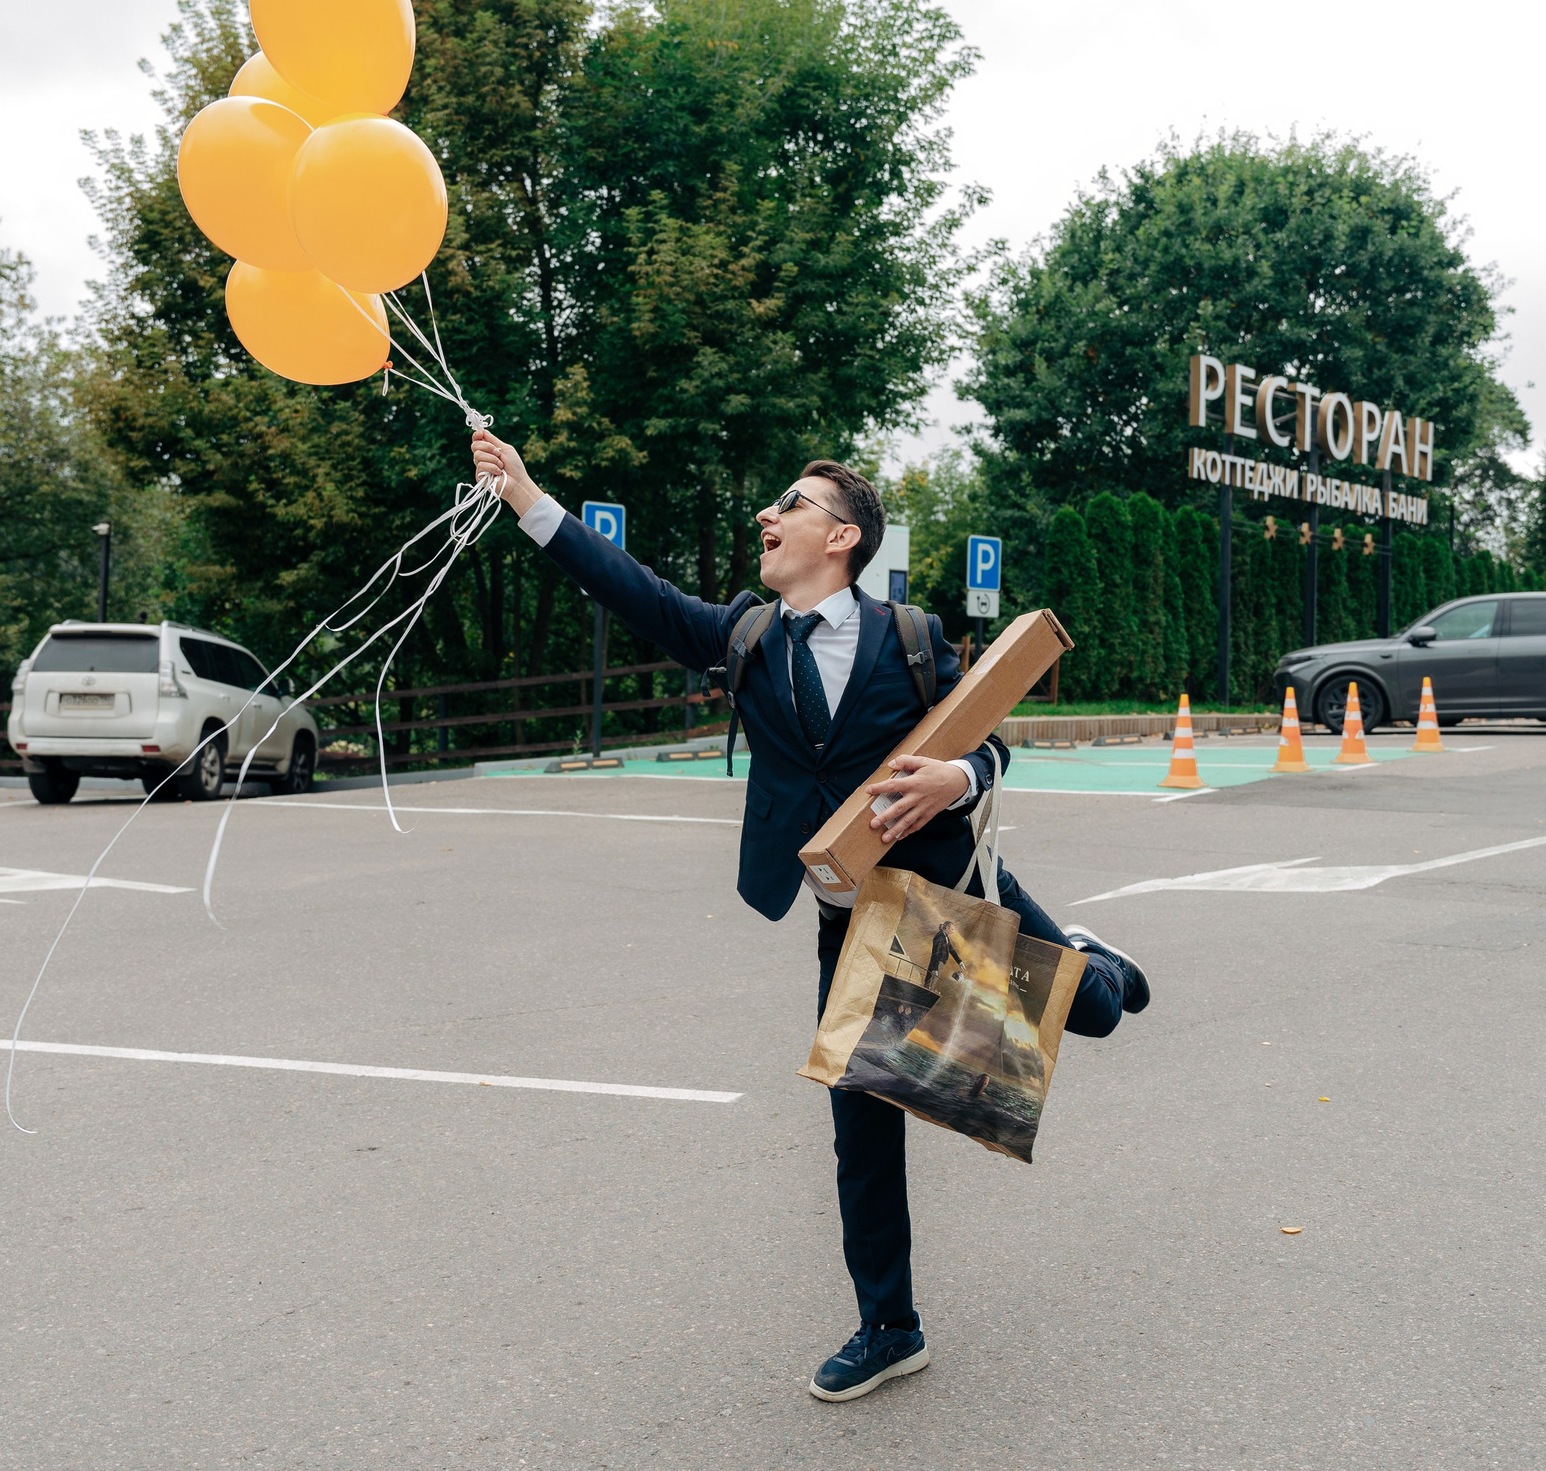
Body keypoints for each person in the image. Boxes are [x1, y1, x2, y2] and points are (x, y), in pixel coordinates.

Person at [470, 431, 1151, 1402]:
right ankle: (890, 1326)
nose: (767, 513)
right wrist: (532, 501)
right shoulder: (746, 636)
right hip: (850, 920)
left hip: (948, 887)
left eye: (788, 501)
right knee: (861, 1125)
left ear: (840, 537)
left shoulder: (911, 639)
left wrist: (958, 774)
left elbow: (987, 742)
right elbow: (635, 591)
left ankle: (1091, 958)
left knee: (1092, 1011)